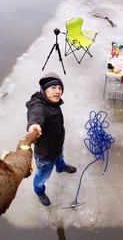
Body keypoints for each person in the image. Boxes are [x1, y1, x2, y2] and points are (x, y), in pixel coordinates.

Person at [26, 72, 77, 206]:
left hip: (57, 144)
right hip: (46, 155)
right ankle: (39, 192)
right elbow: (36, 115)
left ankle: (61, 167)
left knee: (60, 157)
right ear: (44, 89)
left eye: (60, 88)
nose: (58, 91)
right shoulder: (40, 106)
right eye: (53, 87)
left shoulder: (53, 103)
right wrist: (34, 125)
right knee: (41, 177)